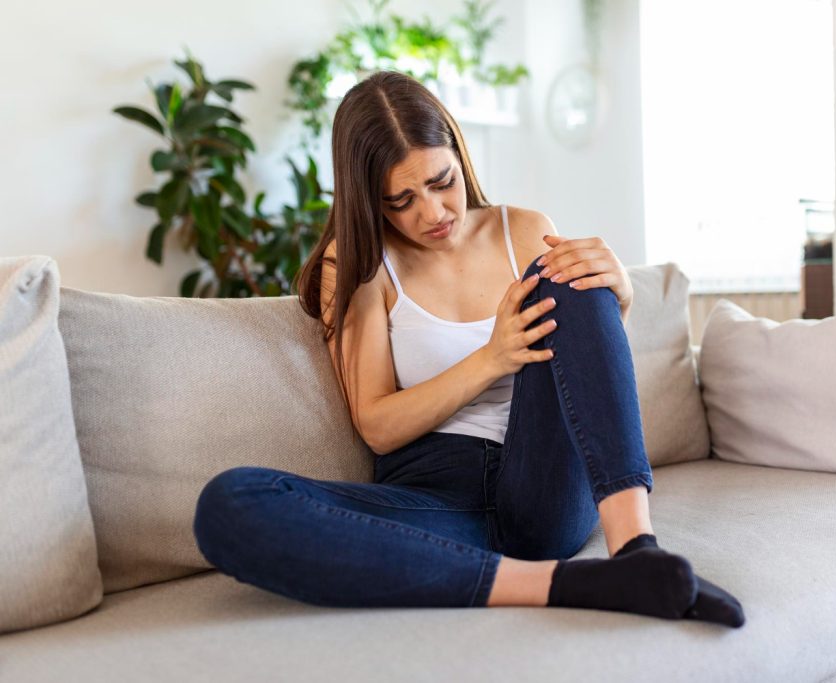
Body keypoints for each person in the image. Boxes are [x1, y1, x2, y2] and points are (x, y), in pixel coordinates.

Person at [192, 69, 744, 627]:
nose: (432, 213)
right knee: (229, 505)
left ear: (459, 152)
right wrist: (491, 359)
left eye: (441, 181)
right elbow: (378, 425)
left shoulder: (525, 230)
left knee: (569, 276)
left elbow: (580, 376)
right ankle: (565, 584)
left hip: (544, 485)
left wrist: (616, 299)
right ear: (369, 201)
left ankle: (635, 554)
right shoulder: (357, 265)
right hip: (435, 501)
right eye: (400, 200)